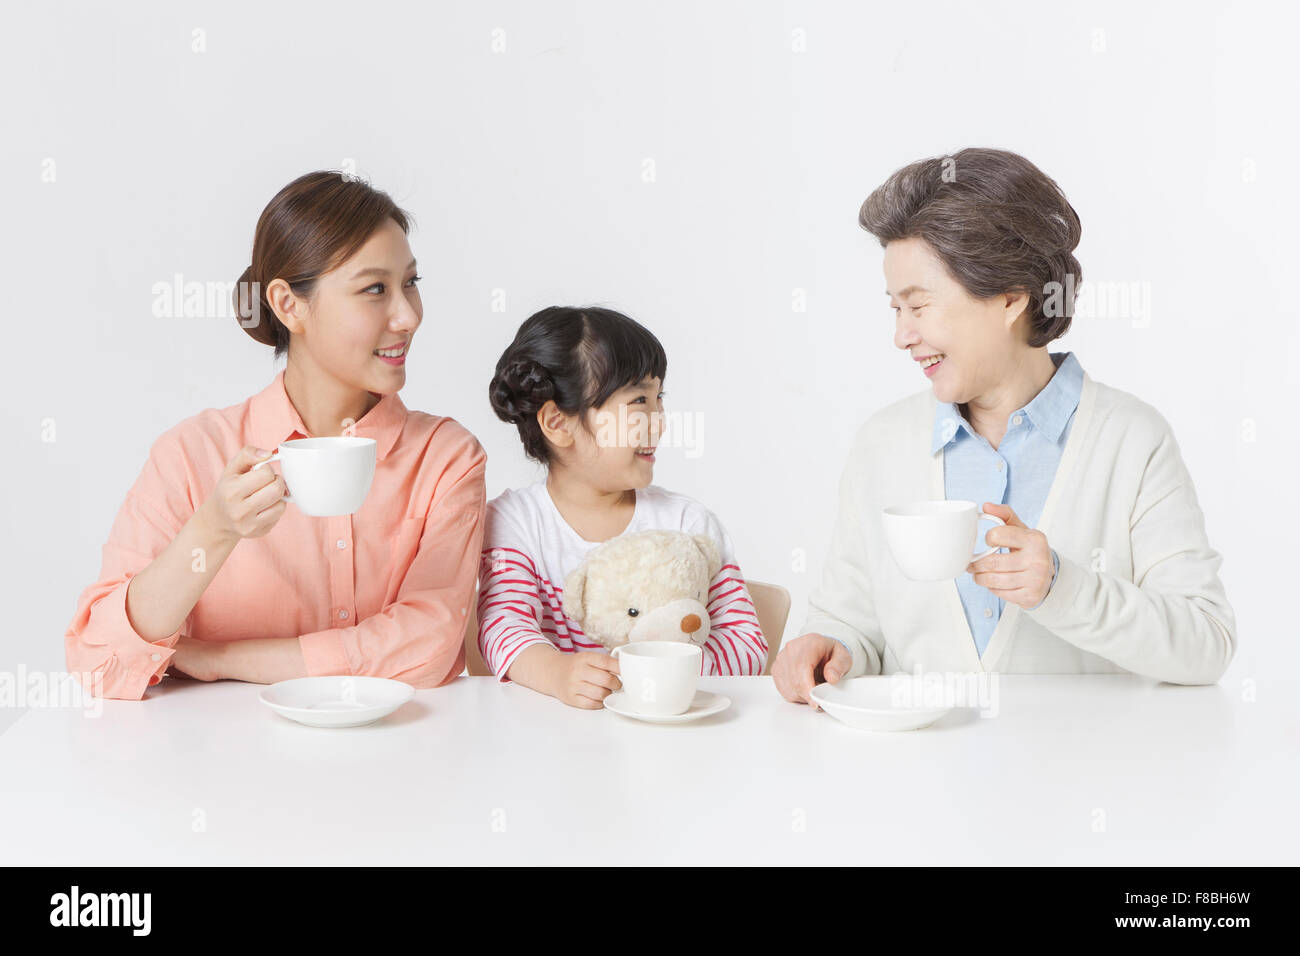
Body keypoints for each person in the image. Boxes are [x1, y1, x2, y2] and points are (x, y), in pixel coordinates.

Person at [773, 147, 1236, 707]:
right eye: (895, 308)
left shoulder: (1132, 440)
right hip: (914, 782)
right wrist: (828, 647)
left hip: (1085, 781)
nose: (902, 335)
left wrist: (1060, 588)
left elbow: (1206, 645)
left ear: (1012, 297)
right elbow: (851, 623)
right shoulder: (883, 444)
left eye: (919, 306)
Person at [65, 171, 487, 699]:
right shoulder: (193, 455)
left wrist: (220, 660)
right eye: (375, 289)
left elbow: (430, 645)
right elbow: (99, 664)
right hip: (218, 772)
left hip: (402, 764)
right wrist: (214, 530)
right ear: (288, 305)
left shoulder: (446, 458)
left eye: (411, 284)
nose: (407, 316)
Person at [478, 306, 767, 708]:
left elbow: (746, 643)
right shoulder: (515, 522)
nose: (660, 422)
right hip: (557, 743)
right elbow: (502, 626)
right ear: (558, 423)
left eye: (658, 398)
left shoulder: (687, 522)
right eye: (638, 401)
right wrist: (559, 674)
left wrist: (653, 675)